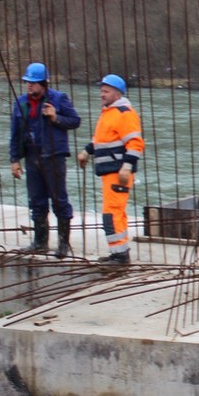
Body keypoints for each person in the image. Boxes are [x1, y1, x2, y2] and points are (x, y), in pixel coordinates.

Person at [9, 62, 81, 258]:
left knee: (59, 201)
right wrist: (14, 159)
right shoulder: (21, 103)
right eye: (27, 82)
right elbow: (15, 134)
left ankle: (63, 244)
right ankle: (40, 242)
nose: (29, 86)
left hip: (54, 156)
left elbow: (75, 121)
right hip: (32, 157)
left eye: (33, 83)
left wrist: (55, 117)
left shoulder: (58, 99)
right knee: (37, 201)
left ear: (43, 84)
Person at [77, 74, 144, 265]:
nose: (102, 94)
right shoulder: (108, 113)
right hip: (110, 172)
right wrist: (86, 151)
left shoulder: (124, 113)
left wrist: (127, 166)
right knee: (116, 212)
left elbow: (135, 143)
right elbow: (99, 139)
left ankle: (120, 256)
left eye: (106, 91)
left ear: (117, 93)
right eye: (101, 90)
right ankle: (119, 252)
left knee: (111, 214)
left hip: (118, 172)